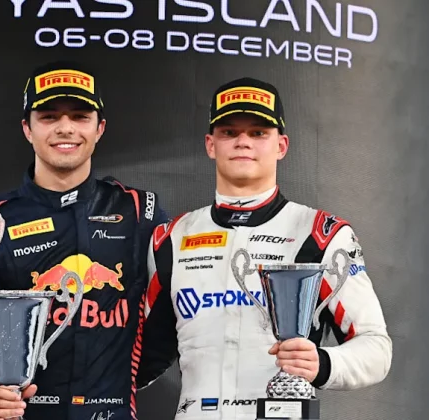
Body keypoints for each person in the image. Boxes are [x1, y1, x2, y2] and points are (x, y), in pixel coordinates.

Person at [136, 77, 393, 419]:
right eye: (229, 132)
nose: (243, 142)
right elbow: (145, 357)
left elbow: (377, 348)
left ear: (281, 145)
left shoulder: (321, 234)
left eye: (258, 132)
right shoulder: (171, 239)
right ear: (210, 144)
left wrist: (323, 363)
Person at [0, 61, 170, 420]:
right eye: (49, 116)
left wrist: (122, 381)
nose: (65, 128)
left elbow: (170, 318)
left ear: (100, 128)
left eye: (80, 116)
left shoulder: (139, 211)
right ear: (27, 129)